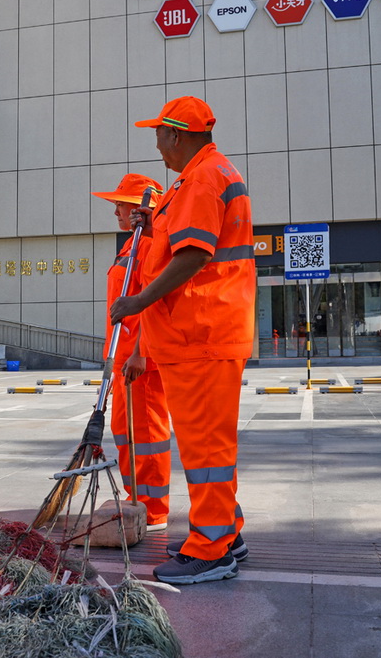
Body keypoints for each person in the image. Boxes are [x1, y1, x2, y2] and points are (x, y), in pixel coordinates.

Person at [110, 96, 255, 585]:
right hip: (201, 334)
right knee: (209, 444)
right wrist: (153, 228)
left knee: (206, 448)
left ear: (176, 134)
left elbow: (192, 257)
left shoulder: (200, 180)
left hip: (201, 333)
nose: (157, 146)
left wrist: (139, 301)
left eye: (159, 135)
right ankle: (223, 531)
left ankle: (210, 550)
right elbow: (181, 244)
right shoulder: (200, 178)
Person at [91, 174, 171, 530]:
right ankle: (135, 494)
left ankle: (154, 508)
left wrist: (140, 351)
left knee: (147, 434)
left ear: (142, 209)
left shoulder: (153, 246)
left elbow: (154, 302)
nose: (117, 212)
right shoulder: (130, 247)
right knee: (126, 431)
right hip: (122, 358)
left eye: (120, 204)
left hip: (142, 359)